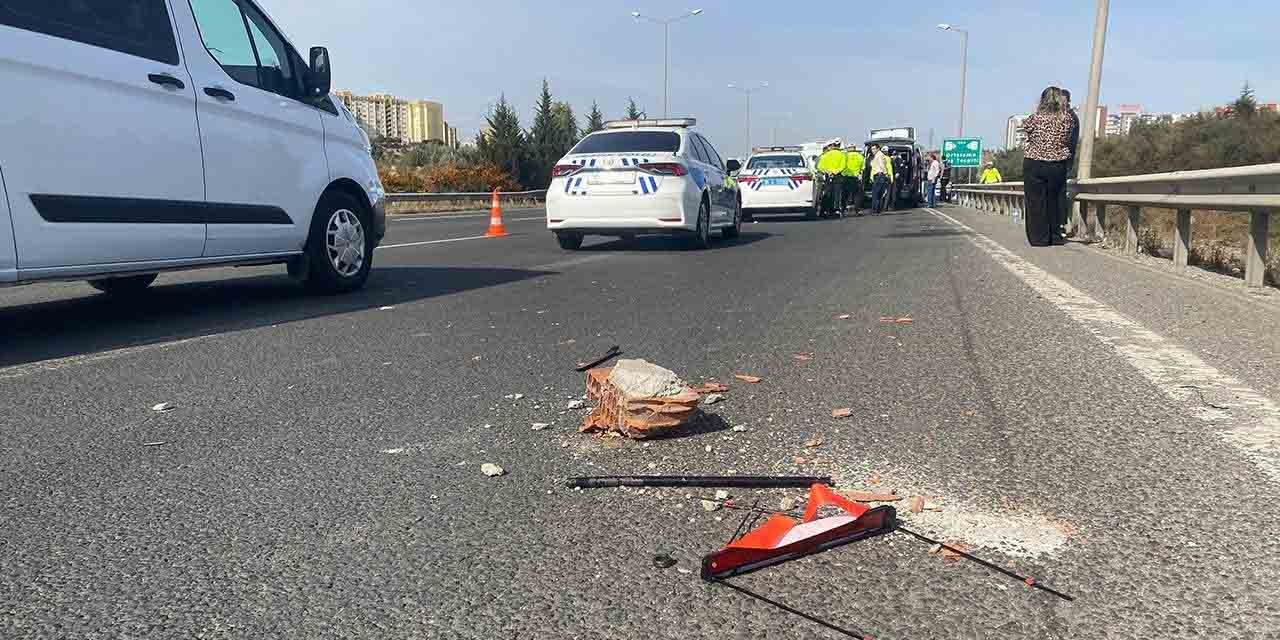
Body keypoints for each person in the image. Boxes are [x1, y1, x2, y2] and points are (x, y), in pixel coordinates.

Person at [1020, 86, 1076, 246]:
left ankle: (1039, 238)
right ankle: (1055, 236)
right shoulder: (1067, 119)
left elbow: (1027, 129)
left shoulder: (1034, 118)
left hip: (1034, 162)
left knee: (1035, 201)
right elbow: (1068, 137)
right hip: (1057, 164)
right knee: (1054, 199)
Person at [815, 140, 847, 216]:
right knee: (837, 194)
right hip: (838, 176)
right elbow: (843, 166)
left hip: (828, 176)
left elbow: (820, 167)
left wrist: (828, 172)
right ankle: (836, 210)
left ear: (831, 146)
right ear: (838, 146)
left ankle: (824, 210)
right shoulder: (842, 155)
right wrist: (835, 172)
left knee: (827, 193)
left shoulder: (826, 155)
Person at [868, 144, 892, 214]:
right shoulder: (877, 155)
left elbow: (882, 165)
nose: (872, 150)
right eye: (872, 149)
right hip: (879, 176)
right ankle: (877, 209)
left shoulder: (879, 155)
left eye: (874, 149)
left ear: (878, 149)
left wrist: (885, 173)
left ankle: (875, 209)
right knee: (878, 194)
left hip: (879, 175)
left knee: (876, 193)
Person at [842, 144, 865, 214]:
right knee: (857, 195)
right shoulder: (860, 156)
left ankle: (842, 210)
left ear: (848, 148)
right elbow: (863, 168)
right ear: (855, 148)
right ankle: (858, 210)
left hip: (846, 177)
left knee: (845, 194)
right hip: (856, 177)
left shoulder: (844, 156)